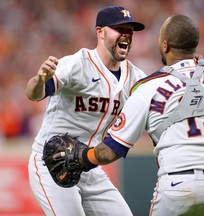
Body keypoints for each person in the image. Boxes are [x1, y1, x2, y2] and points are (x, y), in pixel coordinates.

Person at [78, 14, 204, 216]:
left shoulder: (148, 87)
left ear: (165, 46)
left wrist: (82, 156)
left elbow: (109, 152)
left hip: (181, 185)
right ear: (195, 44)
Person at [26, 6, 146, 216]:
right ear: (100, 32)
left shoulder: (135, 77)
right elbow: (34, 93)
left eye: (130, 30)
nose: (126, 34)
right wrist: (39, 79)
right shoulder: (77, 64)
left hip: (89, 166)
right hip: (52, 162)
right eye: (120, 28)